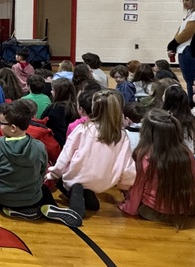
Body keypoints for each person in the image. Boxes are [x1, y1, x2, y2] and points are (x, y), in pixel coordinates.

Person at [47, 89, 135, 222]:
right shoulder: (122, 136)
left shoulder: (83, 129)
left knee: (65, 180)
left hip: (77, 177)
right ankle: (85, 194)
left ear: (94, 107)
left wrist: (53, 175)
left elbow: (65, 156)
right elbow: (127, 166)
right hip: (104, 183)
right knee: (93, 205)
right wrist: (125, 185)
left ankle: (76, 199)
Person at [0, 101, 80, 226]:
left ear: (13, 128)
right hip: (32, 198)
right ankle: (48, 206)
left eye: (1, 123)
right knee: (43, 188)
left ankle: (12, 210)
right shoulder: (39, 146)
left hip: (5, 198)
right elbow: (42, 173)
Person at [119, 109, 195, 228]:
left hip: (154, 208)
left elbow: (137, 187)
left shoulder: (144, 155)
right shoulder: (187, 153)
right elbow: (193, 182)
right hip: (183, 207)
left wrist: (129, 208)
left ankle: (162, 213)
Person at [167, 0, 195, 102]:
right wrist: (173, 45)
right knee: (189, 80)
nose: (184, 3)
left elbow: (187, 33)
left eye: (187, 0)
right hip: (183, 50)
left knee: (191, 81)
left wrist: (172, 44)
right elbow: (180, 31)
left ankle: (192, 104)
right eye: (183, 0)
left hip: (189, 50)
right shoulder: (191, 14)